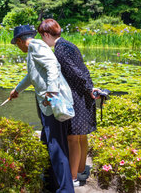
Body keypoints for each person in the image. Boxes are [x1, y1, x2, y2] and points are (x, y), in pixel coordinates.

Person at [9, 24, 74, 193]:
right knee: (48, 144)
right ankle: (51, 184)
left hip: (52, 105)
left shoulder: (36, 46)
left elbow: (53, 66)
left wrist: (51, 93)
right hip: (46, 106)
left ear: (19, 41)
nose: (17, 47)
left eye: (16, 44)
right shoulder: (33, 50)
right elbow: (32, 75)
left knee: (57, 147)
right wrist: (17, 90)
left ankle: (65, 189)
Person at [38, 19, 100, 187]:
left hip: (76, 96)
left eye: (42, 37)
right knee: (81, 135)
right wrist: (90, 88)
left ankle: (72, 178)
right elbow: (83, 70)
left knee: (73, 137)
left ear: (46, 34)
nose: (43, 41)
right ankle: (80, 171)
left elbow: (75, 73)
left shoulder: (60, 50)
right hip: (84, 94)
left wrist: (88, 88)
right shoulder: (69, 44)